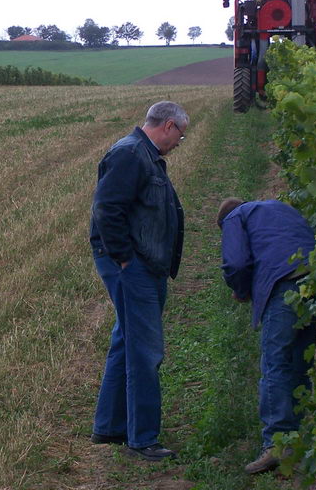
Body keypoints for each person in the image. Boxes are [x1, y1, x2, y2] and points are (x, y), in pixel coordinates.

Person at [88, 101, 187, 460]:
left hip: (142, 264)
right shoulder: (131, 154)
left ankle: (110, 426)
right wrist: (125, 259)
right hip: (133, 266)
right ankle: (142, 439)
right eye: (181, 135)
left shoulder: (142, 153)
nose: (179, 142)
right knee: (145, 350)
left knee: (126, 342)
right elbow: (106, 208)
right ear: (169, 126)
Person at [217, 198, 316, 474]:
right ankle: (296, 441)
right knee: (300, 363)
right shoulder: (279, 207)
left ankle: (277, 443)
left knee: (276, 363)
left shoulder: (233, 218)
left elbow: (236, 263)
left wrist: (240, 290)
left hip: (283, 282)